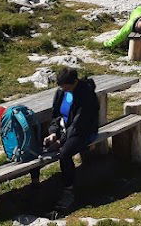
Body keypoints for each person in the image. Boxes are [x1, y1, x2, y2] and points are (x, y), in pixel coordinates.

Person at [43, 66, 100, 212]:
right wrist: (53, 132)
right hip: (65, 130)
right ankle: (37, 185)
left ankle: (69, 189)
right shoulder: (62, 92)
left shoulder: (86, 95)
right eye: (61, 86)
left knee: (65, 154)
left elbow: (79, 124)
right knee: (41, 142)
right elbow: (56, 115)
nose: (62, 89)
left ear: (74, 82)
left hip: (83, 132)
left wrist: (61, 141)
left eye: (65, 86)